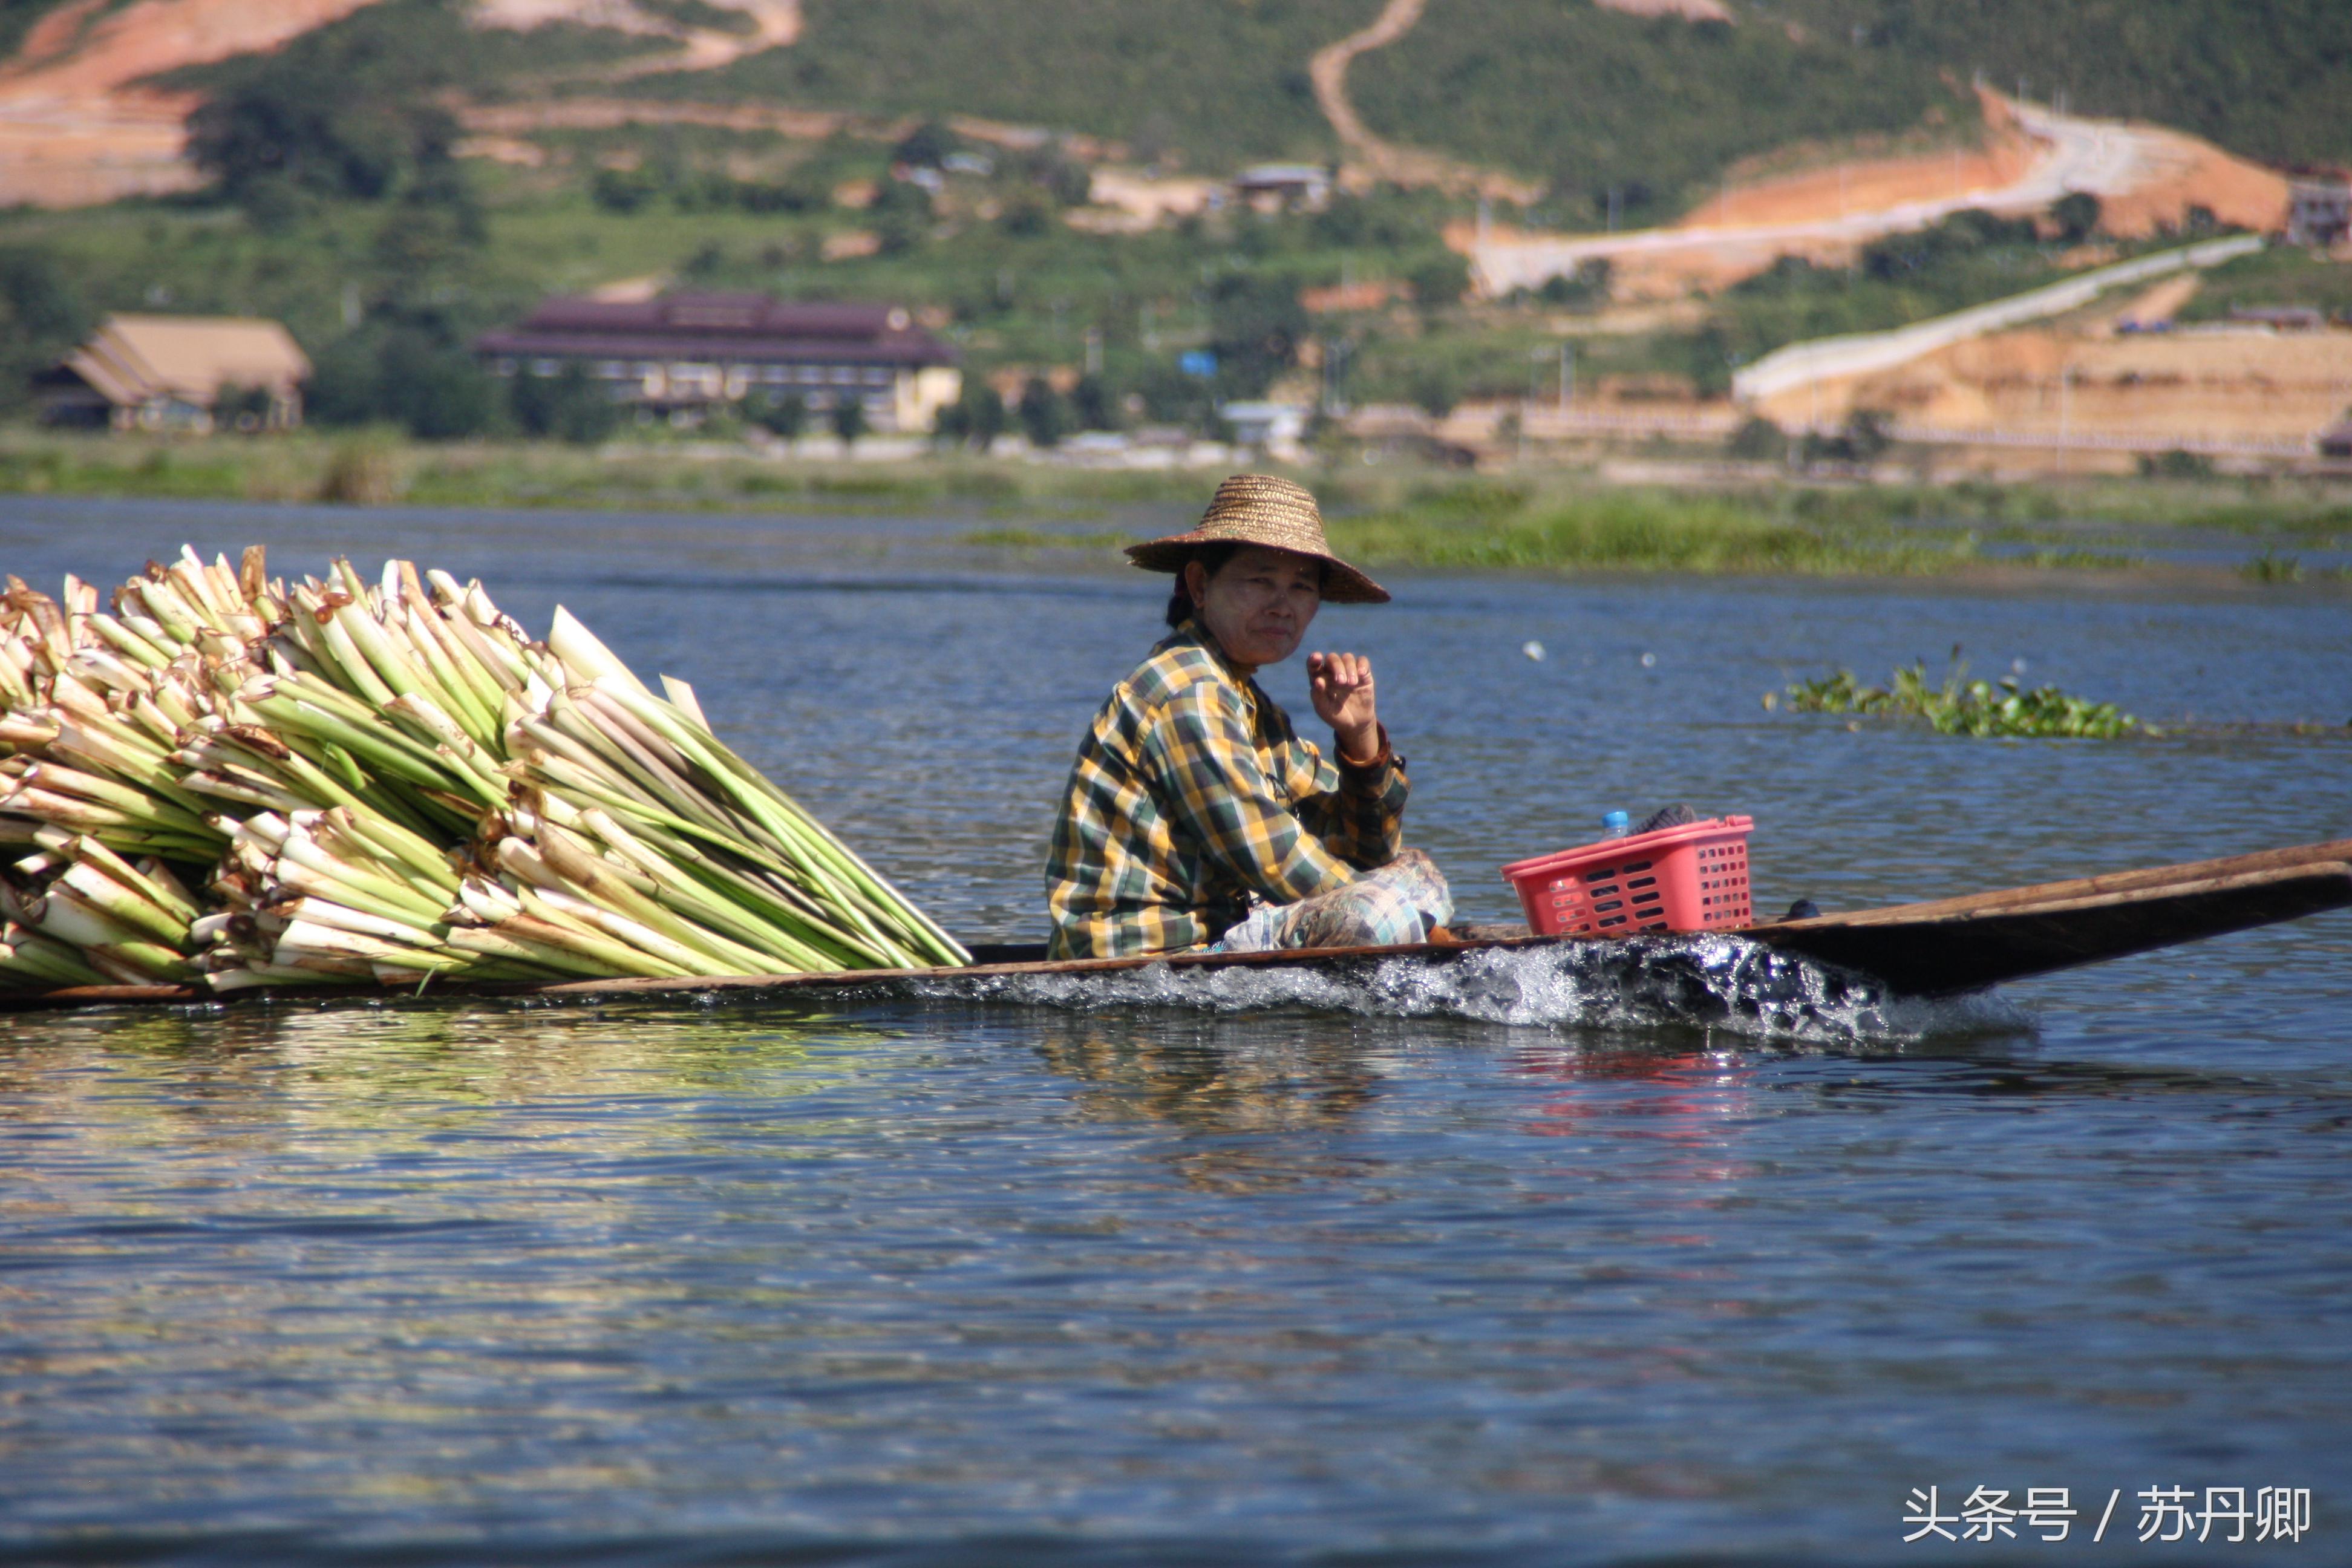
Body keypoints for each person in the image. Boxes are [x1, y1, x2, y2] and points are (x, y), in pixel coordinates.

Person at [1046, 473, 1451, 959]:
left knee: (1417, 876)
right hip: (1144, 954)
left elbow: (1365, 851)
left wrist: (1360, 740)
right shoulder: (1189, 691)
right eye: (1260, 581)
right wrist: (1417, 927)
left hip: (1220, 939)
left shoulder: (1248, 702)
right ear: (1200, 585)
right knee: (1381, 909)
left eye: (1301, 587)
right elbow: (1273, 857)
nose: (1283, 606)